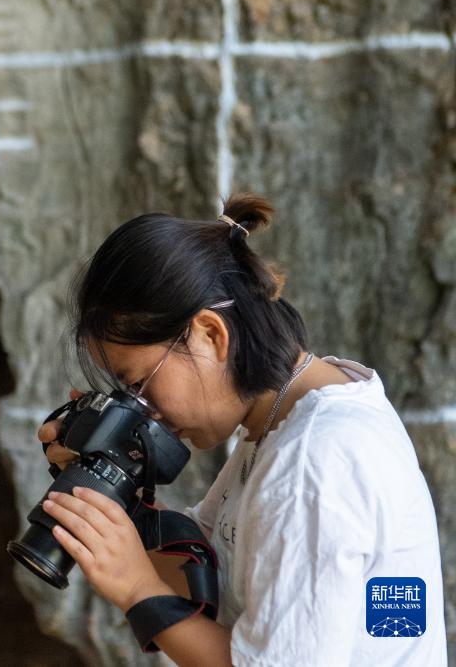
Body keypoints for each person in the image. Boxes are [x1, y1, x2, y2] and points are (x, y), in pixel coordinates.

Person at [35, 193, 447, 666]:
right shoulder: (285, 427)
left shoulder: (314, 462)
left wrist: (135, 587)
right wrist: (106, 490)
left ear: (211, 334)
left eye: (140, 385)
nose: (147, 413)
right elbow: (204, 580)